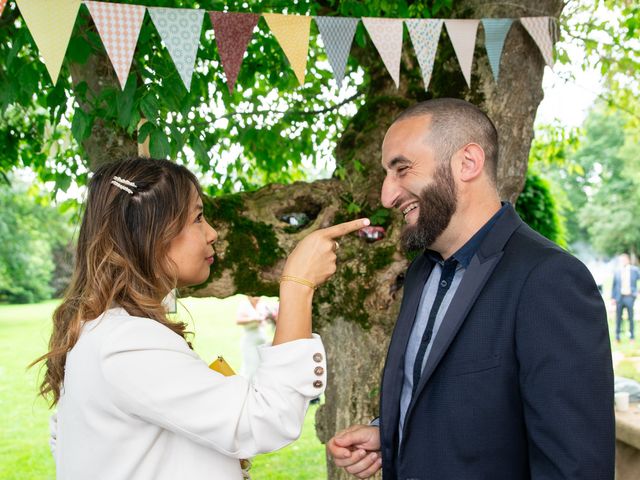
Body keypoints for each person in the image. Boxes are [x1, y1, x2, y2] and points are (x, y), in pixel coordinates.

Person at [327, 98, 614, 479]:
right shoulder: (420, 273)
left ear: (468, 163)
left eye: (402, 169)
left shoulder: (550, 280)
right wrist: (389, 432)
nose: (386, 195)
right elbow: (454, 398)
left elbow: (576, 467)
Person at [33, 157, 369, 480]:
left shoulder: (103, 332)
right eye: (197, 218)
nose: (212, 233)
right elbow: (265, 419)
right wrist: (297, 285)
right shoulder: (125, 342)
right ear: (151, 233)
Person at [236, 295, 278, 378]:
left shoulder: (262, 305)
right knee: (251, 366)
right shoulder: (244, 305)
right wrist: (254, 319)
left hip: (262, 340)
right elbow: (238, 320)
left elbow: (270, 317)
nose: (257, 298)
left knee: (260, 365)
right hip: (250, 340)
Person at [611, 253, 639, 342]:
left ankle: (632, 336)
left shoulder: (634, 270)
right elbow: (614, 285)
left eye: (624, 260)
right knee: (618, 317)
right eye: (621, 260)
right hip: (619, 297)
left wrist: (637, 292)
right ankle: (617, 336)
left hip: (630, 297)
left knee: (631, 317)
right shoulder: (617, 271)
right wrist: (613, 298)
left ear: (628, 260)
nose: (622, 262)